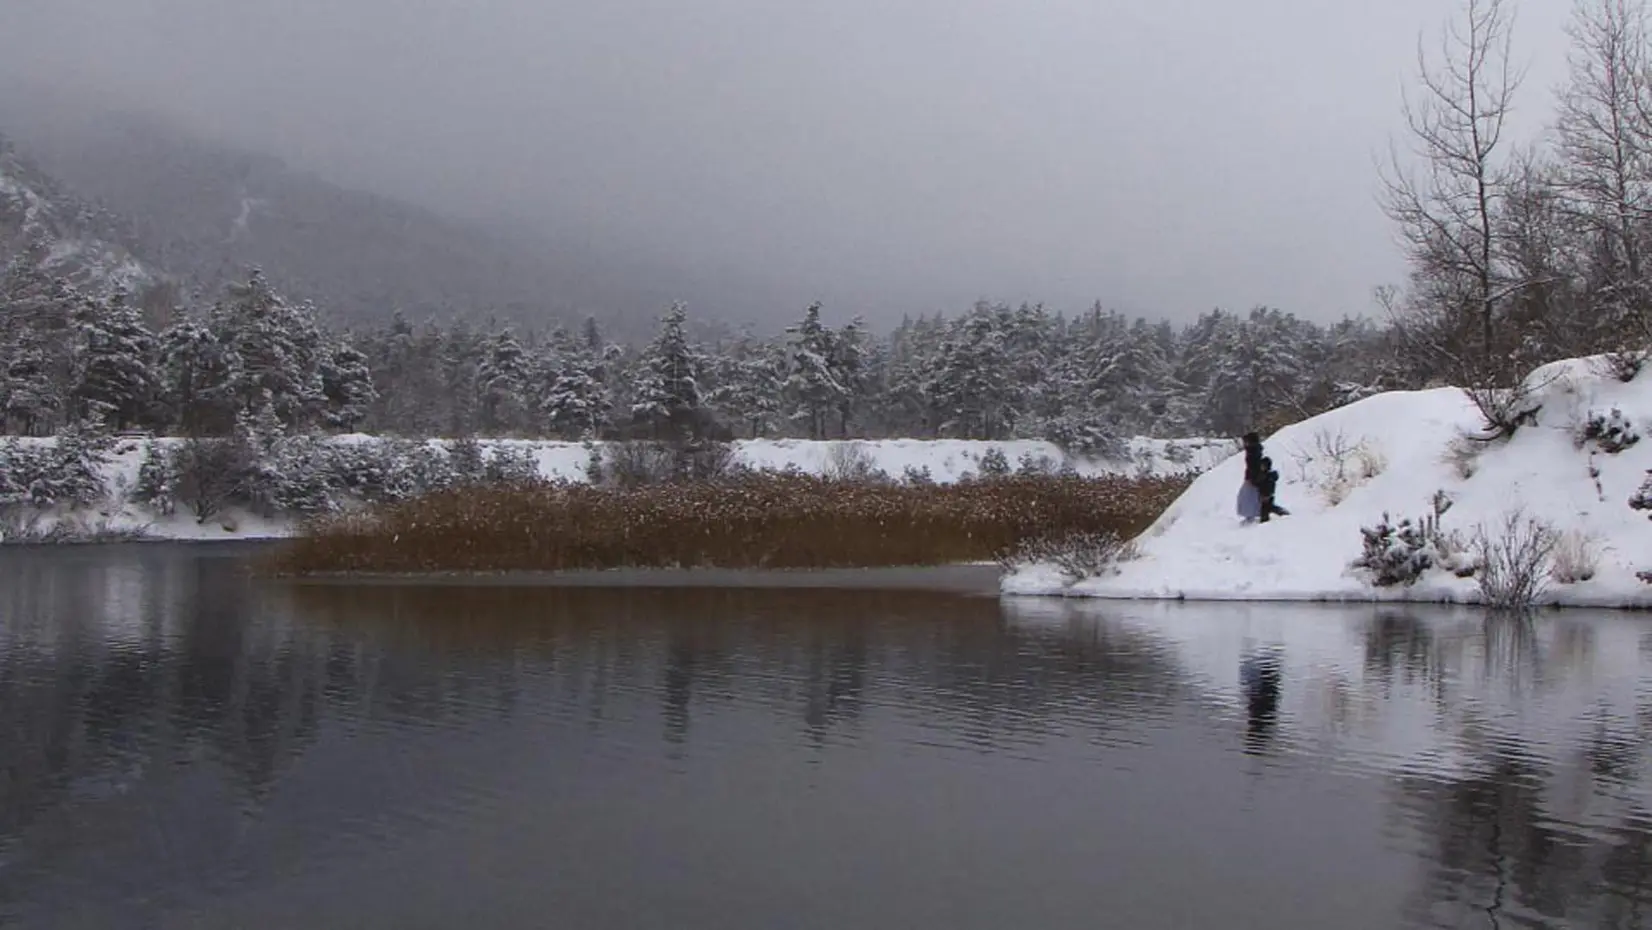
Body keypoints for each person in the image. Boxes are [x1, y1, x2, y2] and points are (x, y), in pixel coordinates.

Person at [1236, 432, 1264, 523]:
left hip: (1252, 477)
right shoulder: (1253, 450)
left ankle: (1252, 515)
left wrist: (1251, 478)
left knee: (1247, 496)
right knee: (1250, 496)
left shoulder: (1253, 452)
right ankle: (1252, 514)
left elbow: (1253, 466)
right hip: (1253, 476)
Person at [1257, 456, 1288, 522]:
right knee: (1269, 507)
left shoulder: (1269, 476)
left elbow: (1269, 487)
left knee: (1267, 509)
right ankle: (1282, 512)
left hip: (1267, 495)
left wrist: (1266, 495)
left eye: (1263, 465)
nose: (1261, 467)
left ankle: (1265, 522)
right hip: (1264, 495)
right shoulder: (1264, 475)